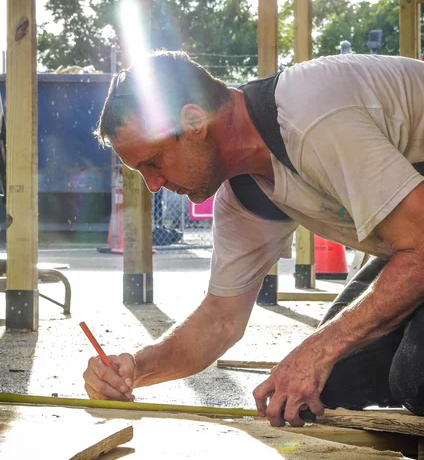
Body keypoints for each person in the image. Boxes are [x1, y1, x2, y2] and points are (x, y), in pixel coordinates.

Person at [83, 50, 424, 427]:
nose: (153, 185)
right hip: (412, 245)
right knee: (321, 391)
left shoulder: (309, 117)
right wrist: (135, 369)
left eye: (154, 161)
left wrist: (318, 349)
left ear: (195, 121)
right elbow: (221, 320)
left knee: (415, 376)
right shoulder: (245, 193)